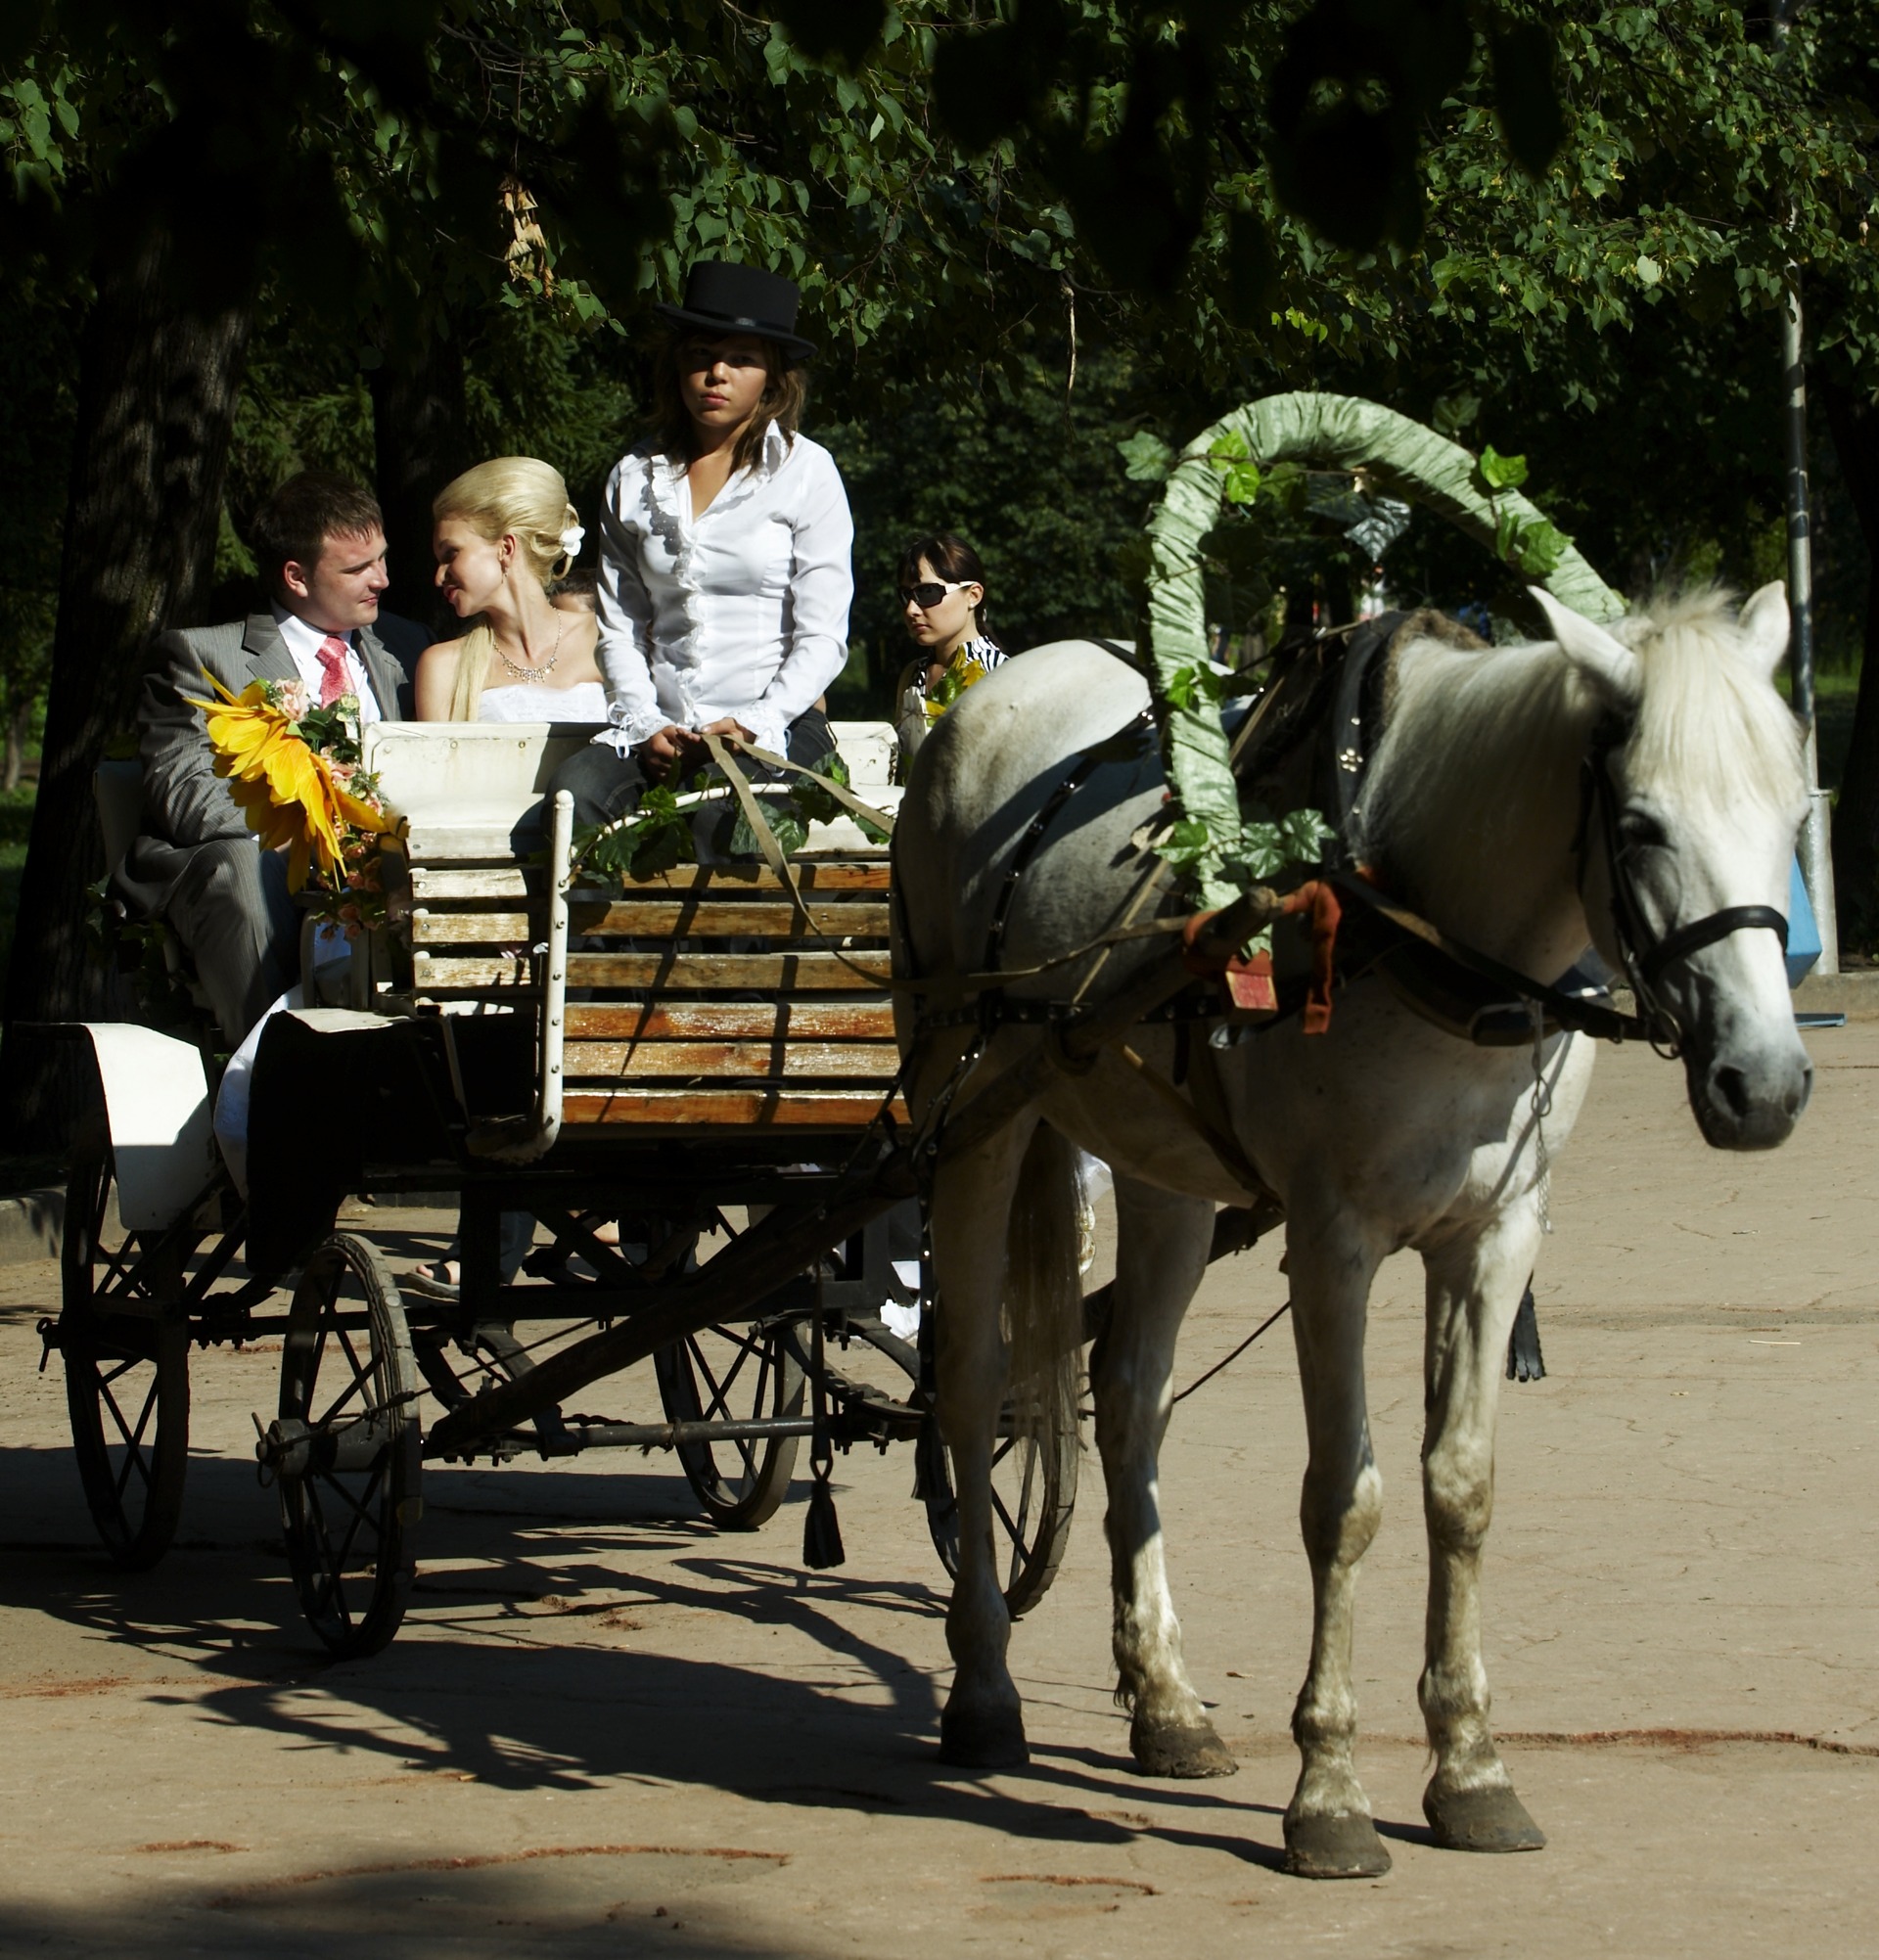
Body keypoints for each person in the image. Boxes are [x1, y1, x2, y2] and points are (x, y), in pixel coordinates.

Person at [115, 471, 430, 1043]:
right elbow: (185, 792)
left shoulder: (412, 648)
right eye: (358, 569)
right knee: (242, 868)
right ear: (296, 576)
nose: (383, 580)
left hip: (389, 864)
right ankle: (269, 1081)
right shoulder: (203, 656)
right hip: (270, 868)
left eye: (382, 559)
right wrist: (313, 833)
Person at [551, 260, 853, 824]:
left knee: (720, 810)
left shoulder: (808, 472)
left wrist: (755, 721)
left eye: (741, 359)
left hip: (775, 725)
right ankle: (598, 914)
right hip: (663, 728)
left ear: (773, 375)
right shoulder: (634, 478)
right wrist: (645, 726)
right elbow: (620, 628)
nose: (717, 373)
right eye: (700, 355)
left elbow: (824, 637)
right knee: (576, 793)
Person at [414, 457, 609, 725]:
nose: (439, 577)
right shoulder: (444, 667)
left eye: (451, 553)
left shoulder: (603, 636)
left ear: (505, 548)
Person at [892, 532, 1004, 765]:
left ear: (973, 595)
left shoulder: (1002, 674)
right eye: (906, 595)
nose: (912, 609)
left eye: (927, 593)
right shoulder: (912, 674)